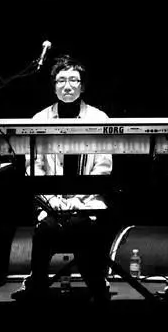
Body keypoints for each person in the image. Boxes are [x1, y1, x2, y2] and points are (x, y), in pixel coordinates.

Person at [13, 53, 114, 303]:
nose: (67, 86)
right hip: (51, 204)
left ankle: (96, 283)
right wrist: (52, 201)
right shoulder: (39, 120)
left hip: (87, 203)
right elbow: (33, 168)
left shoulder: (100, 119)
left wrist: (78, 201)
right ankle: (37, 283)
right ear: (54, 86)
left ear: (82, 85)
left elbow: (103, 167)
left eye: (73, 80)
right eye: (61, 80)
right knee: (46, 230)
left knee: (81, 227)